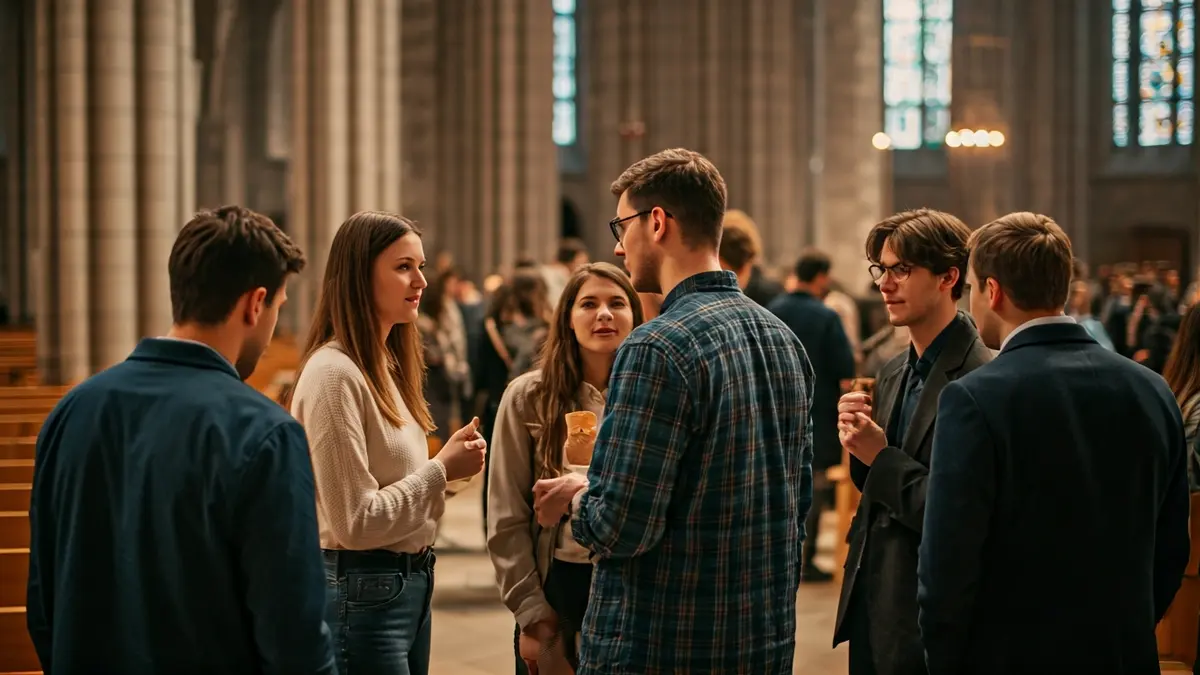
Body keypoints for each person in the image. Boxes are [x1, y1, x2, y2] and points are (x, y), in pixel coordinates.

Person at [531, 148, 814, 674]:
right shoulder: (784, 340)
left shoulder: (655, 347)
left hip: (663, 642)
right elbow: (794, 504)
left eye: (622, 225)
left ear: (656, 222)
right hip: (760, 638)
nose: (618, 247)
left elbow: (619, 528)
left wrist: (578, 493)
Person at [26, 206, 335, 673]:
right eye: (278, 306)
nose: (272, 329)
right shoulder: (265, 433)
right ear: (255, 304)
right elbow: (294, 638)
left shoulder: (70, 412)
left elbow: (43, 605)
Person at [916, 212, 1191, 674]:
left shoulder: (973, 398)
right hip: (1122, 653)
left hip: (1011, 657)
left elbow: (948, 562)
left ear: (993, 291)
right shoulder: (1151, 389)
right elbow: (1171, 546)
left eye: (971, 290)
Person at [286, 211, 488, 675]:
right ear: (360, 275)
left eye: (420, 266)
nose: (421, 280)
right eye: (403, 267)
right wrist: (440, 470)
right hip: (361, 593)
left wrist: (450, 470)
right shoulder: (334, 375)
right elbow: (356, 522)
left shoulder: (383, 365)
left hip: (404, 586)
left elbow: (396, 485)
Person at [833, 208, 992, 675]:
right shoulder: (893, 368)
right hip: (876, 598)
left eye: (902, 269)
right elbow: (877, 488)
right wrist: (859, 445)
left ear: (948, 277)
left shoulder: (983, 376)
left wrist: (879, 457)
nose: (885, 283)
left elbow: (958, 513)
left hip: (932, 611)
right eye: (882, 269)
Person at [487, 262, 644, 674]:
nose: (604, 314)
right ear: (568, 319)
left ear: (636, 316)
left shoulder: (650, 395)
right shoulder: (528, 396)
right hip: (559, 578)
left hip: (633, 583)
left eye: (617, 303)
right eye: (588, 303)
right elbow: (506, 515)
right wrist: (531, 612)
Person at [767, 248, 856, 583]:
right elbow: (845, 370)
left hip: (773, 414)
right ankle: (805, 560)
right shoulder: (825, 315)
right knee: (814, 486)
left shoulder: (771, 310)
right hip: (815, 414)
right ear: (820, 277)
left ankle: (779, 554)